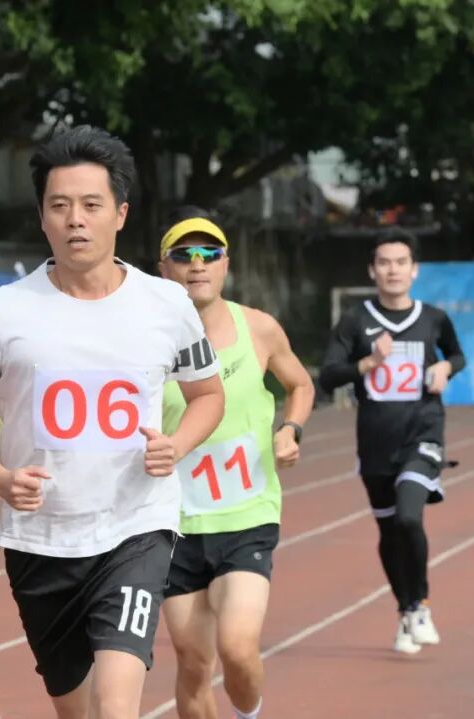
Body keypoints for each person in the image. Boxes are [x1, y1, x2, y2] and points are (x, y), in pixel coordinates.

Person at [0, 125, 225, 719]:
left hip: (135, 528)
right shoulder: (2, 313)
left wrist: (176, 445)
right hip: (41, 540)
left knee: (116, 709)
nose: (76, 220)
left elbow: (207, 396)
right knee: (76, 710)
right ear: (42, 217)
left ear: (120, 214)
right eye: (60, 206)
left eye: (91, 205)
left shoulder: (166, 304)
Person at [157, 207, 315, 719]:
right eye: (184, 254)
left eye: (210, 253)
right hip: (174, 524)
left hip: (247, 516)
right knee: (193, 663)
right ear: (164, 267)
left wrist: (290, 428)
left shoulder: (259, 329)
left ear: (226, 264)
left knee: (238, 647)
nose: (197, 263)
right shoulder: (146, 342)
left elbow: (300, 384)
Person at [318, 230, 466, 654]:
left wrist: (446, 369)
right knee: (388, 529)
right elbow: (328, 375)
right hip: (376, 442)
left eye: (401, 262)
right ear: (372, 270)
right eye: (384, 262)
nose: (393, 270)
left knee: (408, 519)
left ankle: (421, 605)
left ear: (414, 270)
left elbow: (457, 355)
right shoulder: (355, 320)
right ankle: (405, 609)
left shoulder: (433, 318)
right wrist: (369, 361)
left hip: (423, 434)